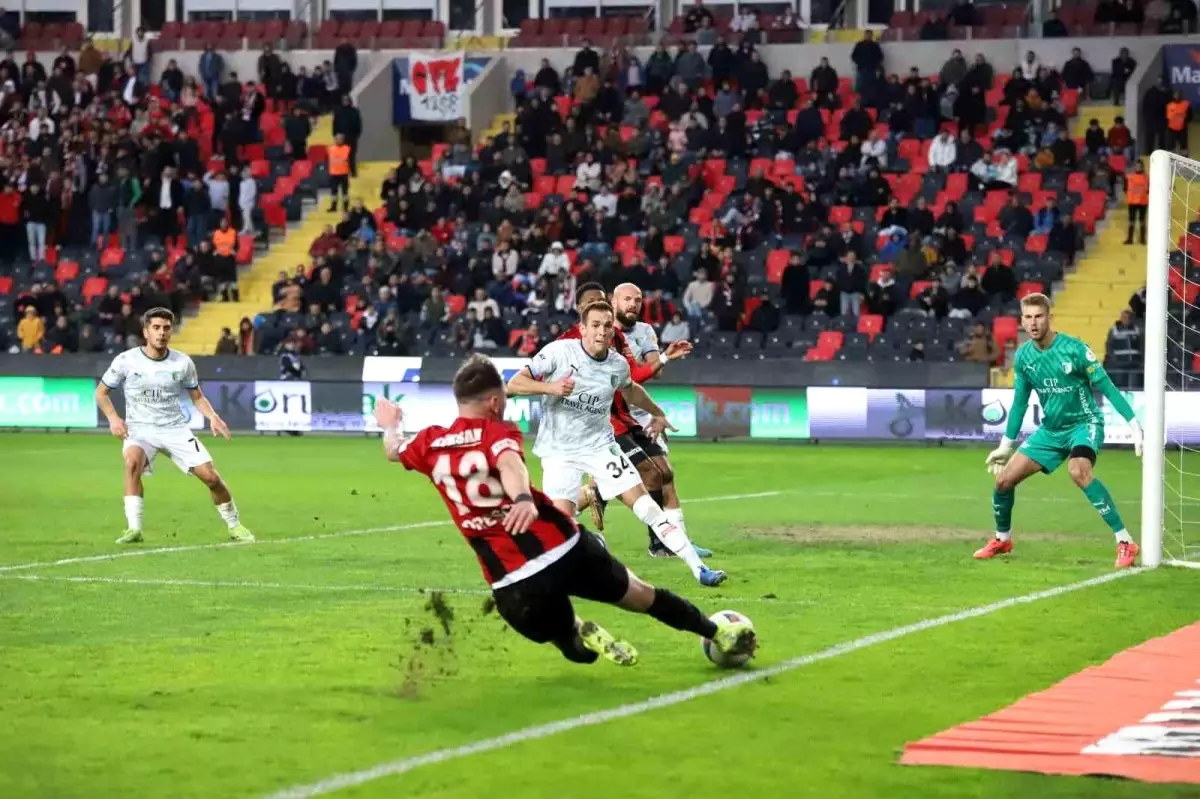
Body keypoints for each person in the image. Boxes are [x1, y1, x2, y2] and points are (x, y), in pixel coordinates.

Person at [376, 357, 756, 667]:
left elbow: (393, 450)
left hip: (510, 583)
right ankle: (715, 632)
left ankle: (576, 630)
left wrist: (391, 424)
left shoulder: (431, 443)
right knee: (643, 595)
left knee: (573, 650)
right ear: (494, 402)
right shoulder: (497, 433)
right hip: (563, 549)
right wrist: (522, 498)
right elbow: (510, 464)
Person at [507, 300, 725, 587]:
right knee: (561, 529)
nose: (601, 331)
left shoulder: (616, 364)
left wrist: (657, 411)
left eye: (607, 326)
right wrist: (550, 387)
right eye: (595, 325)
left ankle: (699, 569)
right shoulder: (559, 353)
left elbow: (631, 390)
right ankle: (588, 548)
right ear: (582, 329)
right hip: (559, 453)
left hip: (600, 448)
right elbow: (514, 385)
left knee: (646, 506)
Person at [977, 293, 1143, 568]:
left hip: (1083, 424)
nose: (1033, 323)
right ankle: (1002, 539)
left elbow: (1107, 386)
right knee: (1003, 481)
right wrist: (1006, 445)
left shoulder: (1075, 349)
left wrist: (1133, 422)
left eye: (1038, 316)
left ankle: (1125, 541)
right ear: (1022, 320)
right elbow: (1019, 403)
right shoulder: (1024, 357)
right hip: (1051, 430)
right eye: (1028, 317)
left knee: (1078, 471)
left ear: (1049, 318)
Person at [94, 308, 254, 545]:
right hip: (140, 429)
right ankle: (133, 529)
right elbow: (101, 393)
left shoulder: (182, 362)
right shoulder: (126, 360)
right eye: (156, 328)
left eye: (166, 328)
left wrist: (213, 417)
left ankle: (235, 525)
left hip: (174, 429)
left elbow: (197, 397)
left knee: (211, 478)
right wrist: (113, 419)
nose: (161, 333)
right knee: (132, 463)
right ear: (146, 332)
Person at [610, 283, 713, 558]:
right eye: (627, 299)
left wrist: (656, 412)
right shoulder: (603, 332)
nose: (633, 304)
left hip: (640, 411)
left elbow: (650, 371)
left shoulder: (644, 331)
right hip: (609, 415)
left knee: (665, 475)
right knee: (605, 484)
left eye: (638, 300)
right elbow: (630, 375)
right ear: (613, 301)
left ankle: (676, 543)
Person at [1124, 160, 1148, 245]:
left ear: (1142, 167)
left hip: (1143, 202)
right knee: (1131, 221)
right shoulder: (1129, 177)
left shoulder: (1147, 178)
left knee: (1142, 221)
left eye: (1139, 166)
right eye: (1136, 166)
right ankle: (1130, 239)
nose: (1138, 168)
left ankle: (1142, 239)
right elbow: (1125, 188)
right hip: (1132, 202)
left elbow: (1149, 189)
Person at [328, 133, 351, 212]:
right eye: (337, 138)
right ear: (335, 139)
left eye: (341, 139)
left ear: (343, 140)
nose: (339, 140)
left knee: (345, 192)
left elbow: (348, 160)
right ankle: (333, 206)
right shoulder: (331, 148)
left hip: (344, 173)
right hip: (333, 173)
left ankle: (345, 207)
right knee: (334, 192)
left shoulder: (347, 148)